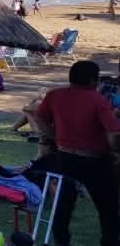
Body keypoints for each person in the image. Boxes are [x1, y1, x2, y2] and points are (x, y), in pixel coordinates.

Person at [36, 60, 120, 246]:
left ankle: (61, 242)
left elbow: (39, 117)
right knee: (108, 208)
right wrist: (114, 149)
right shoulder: (98, 101)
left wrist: (53, 136)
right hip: (94, 161)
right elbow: (114, 134)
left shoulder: (54, 95)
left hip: (65, 157)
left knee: (62, 206)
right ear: (92, 80)